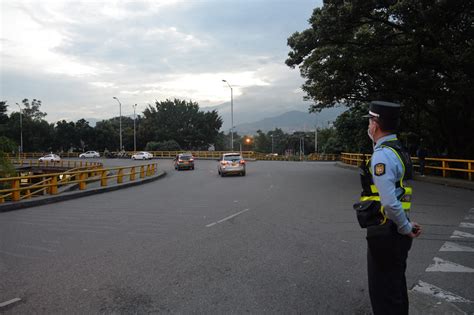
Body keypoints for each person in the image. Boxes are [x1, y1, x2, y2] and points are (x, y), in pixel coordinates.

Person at [359, 101, 422, 315]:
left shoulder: (383, 155)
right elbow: (398, 193)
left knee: (383, 292)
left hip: (386, 231)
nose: (368, 126)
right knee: (395, 288)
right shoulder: (398, 150)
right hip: (395, 230)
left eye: (370, 121)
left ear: (375, 125)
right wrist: (407, 224)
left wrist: (404, 227)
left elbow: (389, 201)